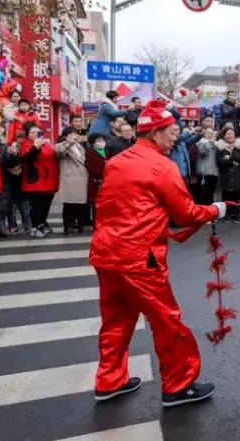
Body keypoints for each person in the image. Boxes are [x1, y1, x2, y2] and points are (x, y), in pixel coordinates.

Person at [90, 99, 225, 406]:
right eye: (172, 132)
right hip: (139, 257)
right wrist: (214, 210)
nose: (175, 138)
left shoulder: (116, 162)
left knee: (116, 319)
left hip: (106, 253)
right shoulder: (162, 167)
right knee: (166, 321)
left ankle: (109, 380)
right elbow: (185, 213)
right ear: (155, 133)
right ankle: (179, 385)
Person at [19, 123, 59, 237]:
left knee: (46, 205)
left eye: (37, 132)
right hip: (36, 181)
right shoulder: (27, 144)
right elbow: (27, 158)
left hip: (50, 180)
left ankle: (42, 223)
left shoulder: (46, 143)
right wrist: (35, 147)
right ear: (28, 135)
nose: (35, 134)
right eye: (32, 132)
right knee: (37, 205)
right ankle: (35, 226)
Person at [56, 126, 89, 235]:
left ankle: (80, 225)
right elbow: (59, 152)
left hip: (82, 178)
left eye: (74, 133)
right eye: (71, 134)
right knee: (69, 204)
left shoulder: (80, 145)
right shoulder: (61, 145)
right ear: (65, 135)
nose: (73, 135)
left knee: (80, 205)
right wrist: (68, 142)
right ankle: (68, 226)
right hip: (70, 179)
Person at [215, 127, 240, 221]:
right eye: (227, 134)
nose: (230, 136)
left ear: (234, 135)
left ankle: (236, 214)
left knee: (237, 195)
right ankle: (226, 214)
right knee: (226, 195)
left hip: (238, 175)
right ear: (224, 136)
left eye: (231, 134)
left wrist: (230, 157)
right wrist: (233, 161)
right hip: (226, 174)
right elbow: (219, 161)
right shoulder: (220, 147)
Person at [85, 133, 109, 227]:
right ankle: (96, 224)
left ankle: (104, 223)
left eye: (102, 140)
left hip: (106, 182)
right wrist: (104, 175)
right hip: (96, 182)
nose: (101, 142)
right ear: (93, 143)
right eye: (98, 141)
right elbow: (92, 169)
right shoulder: (90, 153)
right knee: (96, 204)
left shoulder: (106, 151)